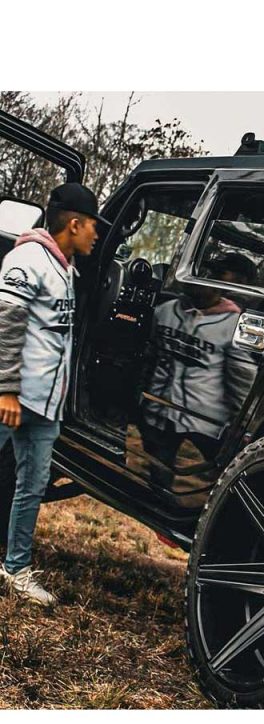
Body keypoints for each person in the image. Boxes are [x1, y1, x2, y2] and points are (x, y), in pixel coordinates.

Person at [0, 183, 106, 605]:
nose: (97, 234)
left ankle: (16, 569)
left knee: (32, 486)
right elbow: (7, 325)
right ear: (74, 224)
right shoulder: (28, 259)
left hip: (44, 405)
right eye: (93, 225)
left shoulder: (65, 266)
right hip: (12, 396)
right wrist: (6, 390)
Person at [138, 252, 258, 491]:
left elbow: (242, 379)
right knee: (158, 481)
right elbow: (147, 356)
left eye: (208, 277)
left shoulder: (234, 323)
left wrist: (246, 424)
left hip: (204, 423)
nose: (198, 281)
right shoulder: (165, 311)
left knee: (213, 484)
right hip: (158, 413)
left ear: (219, 286)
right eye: (196, 275)